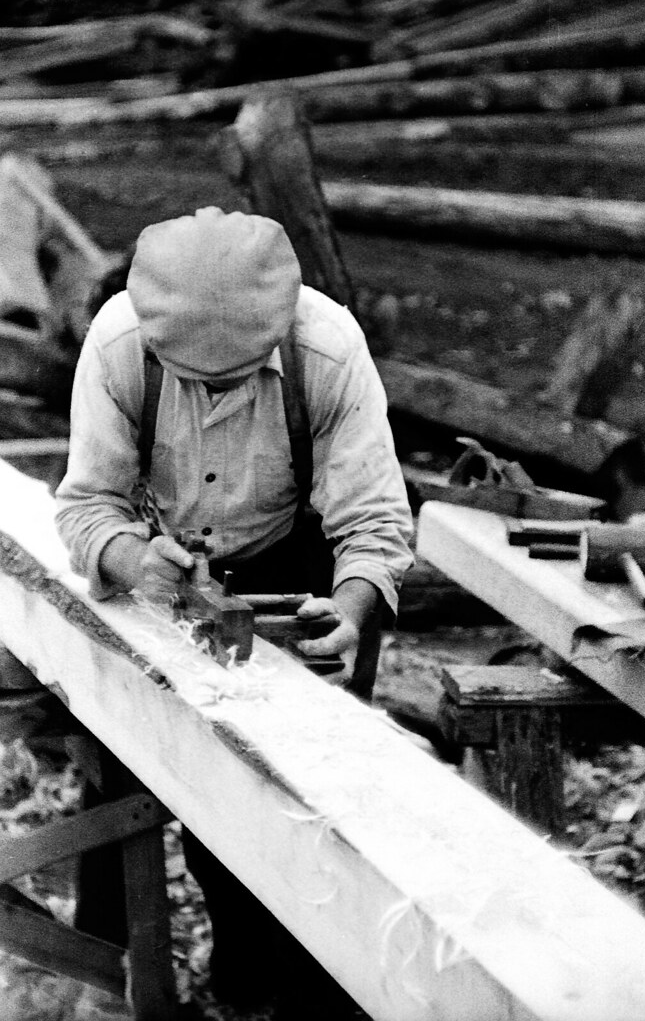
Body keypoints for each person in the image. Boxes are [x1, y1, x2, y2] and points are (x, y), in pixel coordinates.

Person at [55, 206, 413, 1017]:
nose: (216, 396)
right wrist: (133, 561)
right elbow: (85, 510)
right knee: (124, 763)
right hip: (161, 562)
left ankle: (263, 986)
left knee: (290, 784)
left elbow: (374, 523)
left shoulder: (327, 347)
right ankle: (110, 982)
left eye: (236, 376)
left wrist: (350, 615)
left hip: (294, 557)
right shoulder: (117, 346)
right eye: (196, 379)